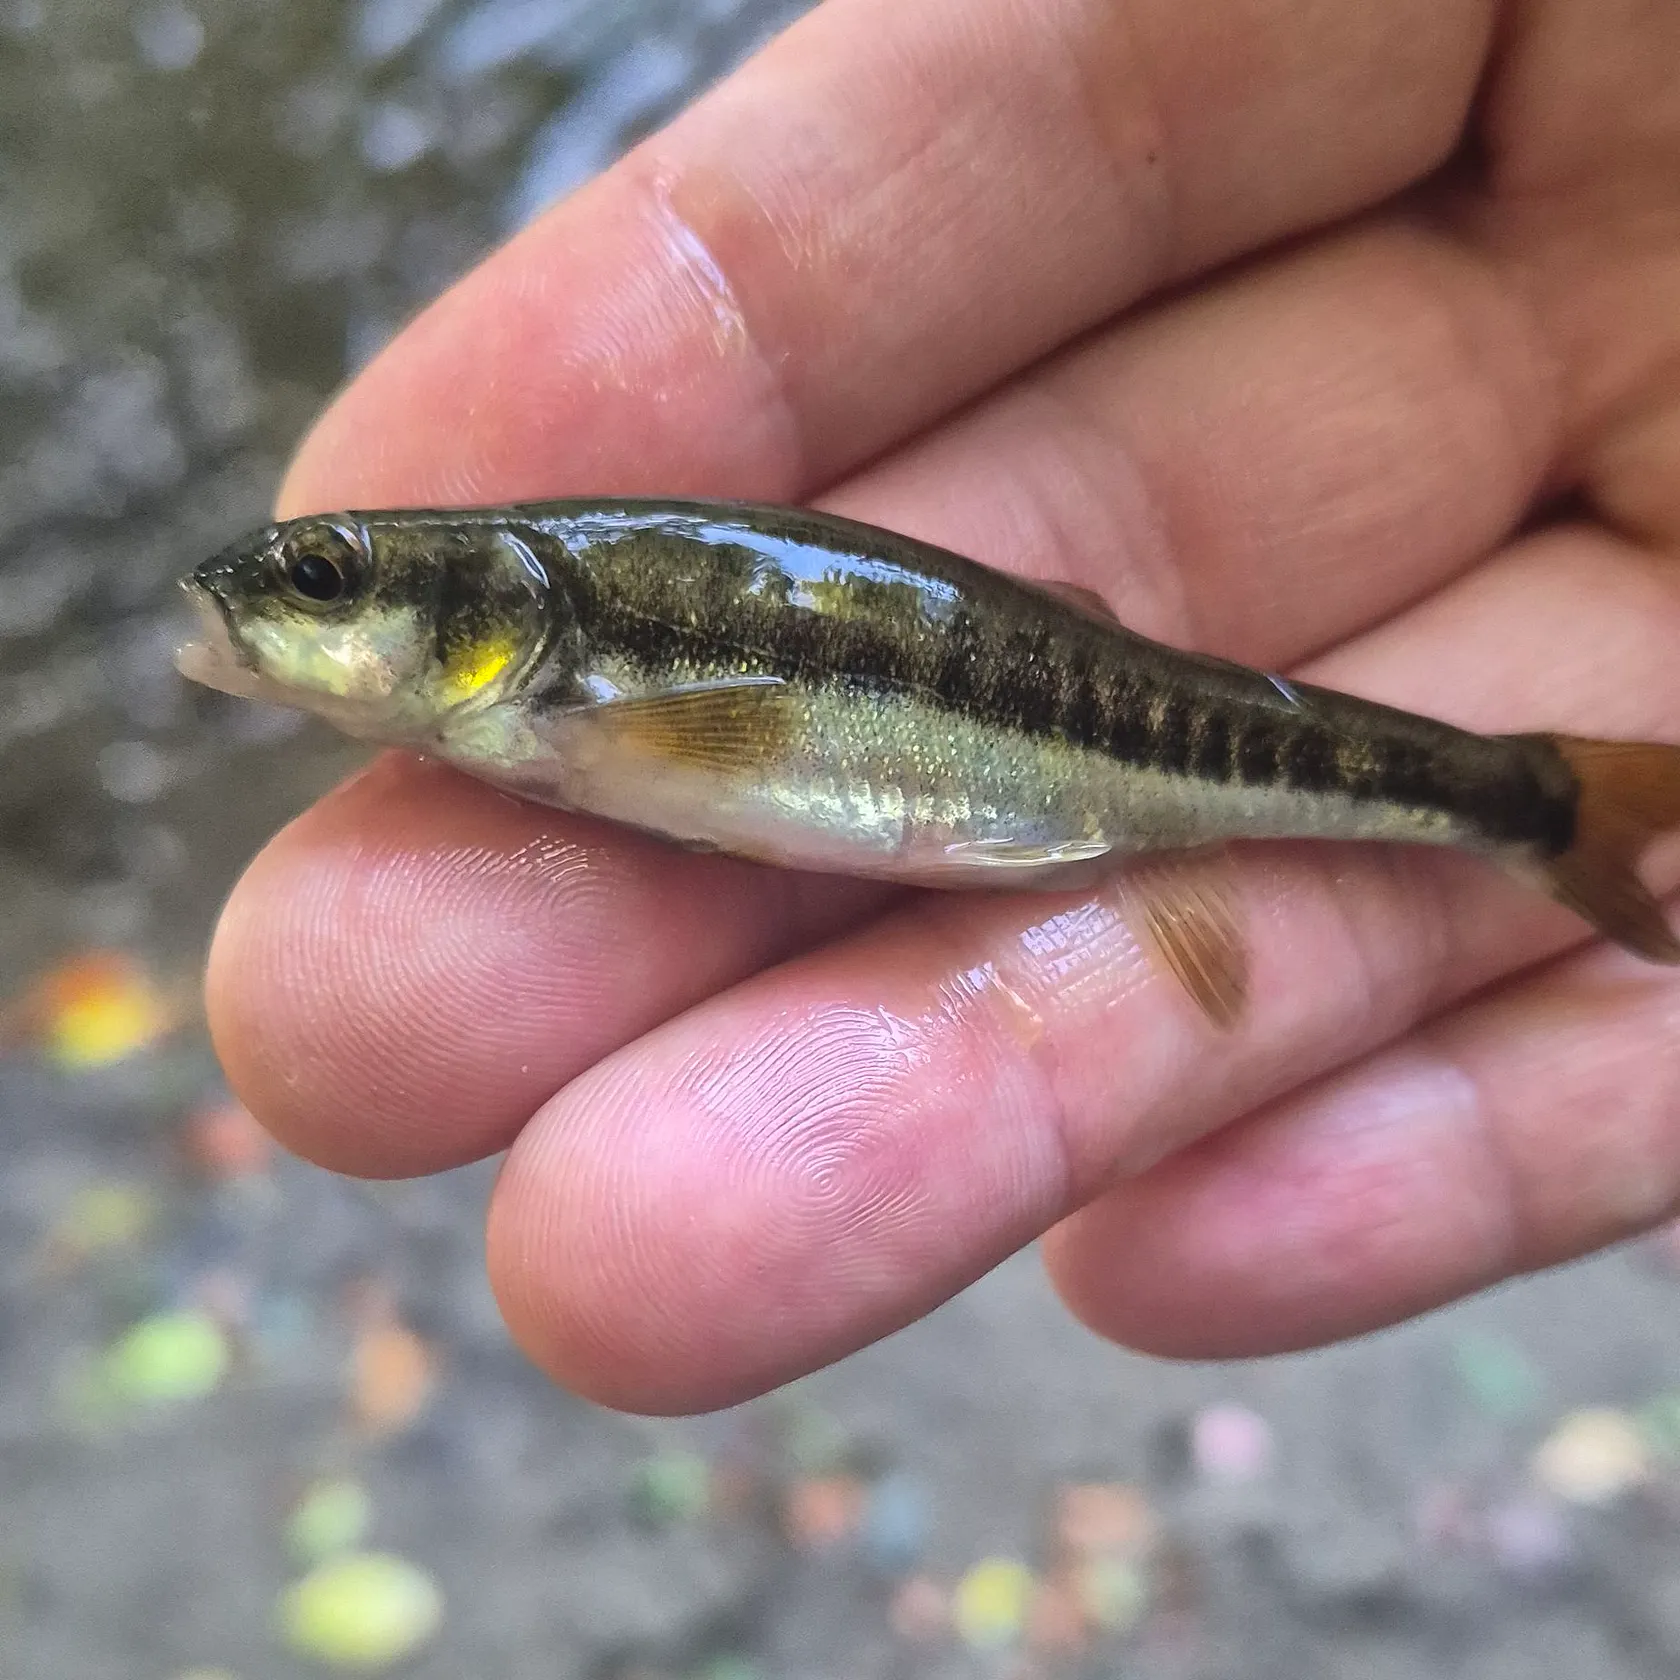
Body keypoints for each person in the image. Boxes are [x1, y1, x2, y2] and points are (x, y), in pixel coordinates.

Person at [207, 0, 1680, 1415]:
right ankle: (1528, 799)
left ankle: (1528, 801)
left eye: (326, 578)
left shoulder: (573, 686)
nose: (277, 605)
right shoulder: (548, 684)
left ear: (491, 618)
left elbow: (715, 746)